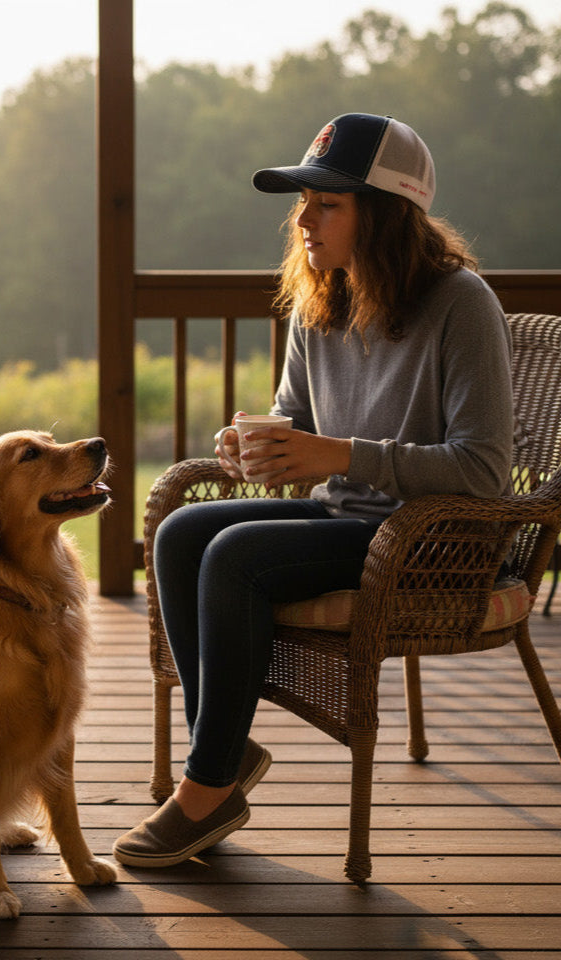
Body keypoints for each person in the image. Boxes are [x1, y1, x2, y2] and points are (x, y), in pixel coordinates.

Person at [112, 113, 514, 868]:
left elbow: (485, 470)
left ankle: (207, 784)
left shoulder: (462, 304)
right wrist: (250, 449)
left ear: (388, 214)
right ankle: (221, 757)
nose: (302, 218)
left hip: (433, 540)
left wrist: (334, 453)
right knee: (180, 533)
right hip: (345, 519)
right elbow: (296, 424)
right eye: (303, 200)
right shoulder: (319, 303)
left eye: (327, 202)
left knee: (235, 555)